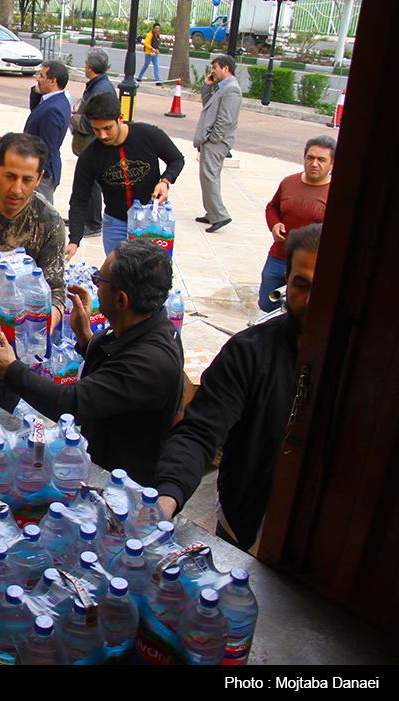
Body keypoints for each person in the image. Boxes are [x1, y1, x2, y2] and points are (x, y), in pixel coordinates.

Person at [154, 225, 321, 554]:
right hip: (244, 524)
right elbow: (200, 430)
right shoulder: (251, 352)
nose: (313, 300)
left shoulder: (368, 367)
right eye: (302, 285)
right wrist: (166, 498)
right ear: (285, 284)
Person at [0, 239, 184, 486]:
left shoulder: (152, 362)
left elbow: (70, 402)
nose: (95, 285)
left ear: (122, 300)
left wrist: (11, 370)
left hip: (122, 485)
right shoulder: (148, 327)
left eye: (100, 280)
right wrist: (85, 337)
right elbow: (113, 374)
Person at [0, 133, 66, 412]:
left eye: (27, 180)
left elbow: (56, 289)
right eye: (9, 176)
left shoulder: (49, 221)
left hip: (9, 332)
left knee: (0, 409)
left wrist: (40, 325)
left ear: (40, 176)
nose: (17, 189)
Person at [66, 92, 184, 260]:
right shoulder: (90, 155)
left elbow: (177, 159)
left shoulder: (149, 135)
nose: (102, 136)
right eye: (96, 129)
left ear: (120, 118)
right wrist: (74, 239)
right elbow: (79, 198)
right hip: (116, 223)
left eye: (107, 128)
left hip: (150, 221)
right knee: (119, 275)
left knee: (151, 273)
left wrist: (165, 180)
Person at [259, 136, 334, 312]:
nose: (315, 163)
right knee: (267, 303)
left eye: (322, 160)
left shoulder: (336, 192)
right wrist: (275, 224)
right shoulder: (289, 182)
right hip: (279, 256)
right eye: (310, 157)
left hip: (310, 263)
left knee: (300, 308)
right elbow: (273, 207)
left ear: (332, 164)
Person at [70, 47, 117, 238]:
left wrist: (71, 117)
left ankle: (94, 223)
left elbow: (90, 124)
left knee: (94, 184)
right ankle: (86, 218)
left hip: (93, 143)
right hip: (87, 144)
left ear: (89, 67)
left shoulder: (100, 89)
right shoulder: (98, 85)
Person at [193, 54, 242, 233]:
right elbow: (209, 106)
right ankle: (211, 212)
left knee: (209, 176)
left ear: (225, 68)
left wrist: (213, 138)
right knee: (208, 176)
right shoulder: (223, 87)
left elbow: (226, 119)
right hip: (213, 140)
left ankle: (220, 215)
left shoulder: (232, 89)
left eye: (215, 67)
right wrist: (207, 87)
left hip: (217, 141)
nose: (212, 71)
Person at [24, 60, 73, 205]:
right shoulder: (58, 99)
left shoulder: (53, 110)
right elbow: (36, 112)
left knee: (41, 213)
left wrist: (37, 174)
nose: (37, 79)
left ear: (53, 81)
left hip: (43, 175)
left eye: (41, 76)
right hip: (42, 171)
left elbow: (46, 147)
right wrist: (37, 91)